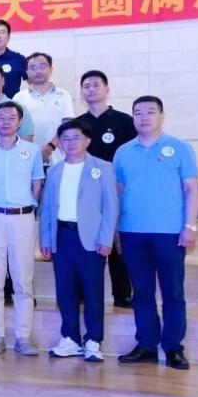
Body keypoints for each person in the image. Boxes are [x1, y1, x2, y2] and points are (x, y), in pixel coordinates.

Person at [114, 96, 198, 370]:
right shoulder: (123, 152)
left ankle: (173, 347)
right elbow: (117, 193)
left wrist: (190, 227)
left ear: (162, 116)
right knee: (142, 292)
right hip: (132, 232)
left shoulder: (180, 148)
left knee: (173, 291)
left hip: (170, 233)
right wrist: (115, 231)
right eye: (138, 113)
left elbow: (191, 190)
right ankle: (147, 345)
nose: (144, 117)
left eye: (150, 112)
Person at [39, 119, 119, 363]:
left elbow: (111, 207)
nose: (70, 143)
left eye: (76, 138)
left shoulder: (103, 167)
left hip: (91, 239)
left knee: (93, 291)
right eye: (65, 138)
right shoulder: (54, 171)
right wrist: (46, 238)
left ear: (87, 140)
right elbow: (47, 208)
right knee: (65, 291)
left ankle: (93, 340)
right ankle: (70, 338)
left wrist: (106, 238)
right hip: (62, 236)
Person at [0, 101, 44, 355]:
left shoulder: (32, 151)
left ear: (20, 121)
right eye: (1, 117)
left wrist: (29, 208)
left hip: (23, 218)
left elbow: (37, 185)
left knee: (23, 280)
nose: (6, 121)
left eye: (11, 117)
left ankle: (23, 337)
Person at [79, 70, 137, 308]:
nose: (91, 89)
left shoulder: (124, 121)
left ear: (106, 89)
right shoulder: (78, 124)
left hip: (117, 190)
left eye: (96, 85)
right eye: (86, 86)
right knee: (86, 242)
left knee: (117, 244)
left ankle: (122, 294)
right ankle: (83, 293)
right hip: (87, 194)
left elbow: (132, 157)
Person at [14, 52, 75, 165]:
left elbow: (68, 126)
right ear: (27, 72)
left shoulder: (64, 95)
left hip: (58, 160)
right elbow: (14, 130)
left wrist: (49, 148)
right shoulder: (19, 98)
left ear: (51, 69)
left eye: (42, 66)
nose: (38, 71)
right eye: (33, 68)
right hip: (26, 160)